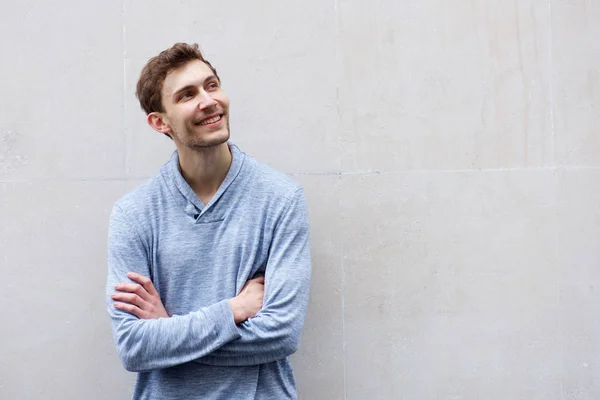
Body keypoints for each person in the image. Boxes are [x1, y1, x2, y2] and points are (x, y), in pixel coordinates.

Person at [105, 42, 312, 400]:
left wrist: (168, 331)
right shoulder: (133, 214)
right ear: (159, 122)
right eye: (187, 95)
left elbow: (281, 334)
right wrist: (234, 311)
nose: (208, 101)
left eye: (211, 85)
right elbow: (134, 347)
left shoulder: (281, 199)